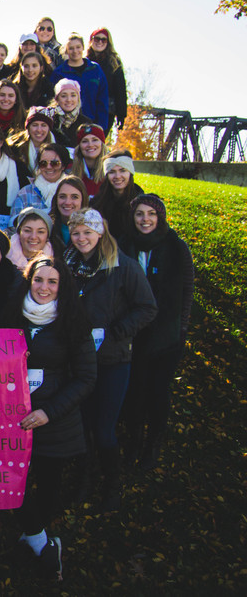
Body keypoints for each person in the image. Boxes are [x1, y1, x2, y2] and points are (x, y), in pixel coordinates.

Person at [6, 256, 96, 581]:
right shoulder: (11, 315)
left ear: (62, 286)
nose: (44, 288)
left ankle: (33, 540)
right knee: (10, 483)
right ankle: (43, 544)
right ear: (28, 281)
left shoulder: (73, 321)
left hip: (54, 420)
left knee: (47, 488)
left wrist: (49, 412)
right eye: (38, 280)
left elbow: (86, 378)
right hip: (10, 418)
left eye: (52, 282)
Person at [64, 208, 157, 511]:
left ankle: (112, 485)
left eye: (87, 232)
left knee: (104, 429)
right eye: (76, 232)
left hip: (112, 360)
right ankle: (83, 481)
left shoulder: (123, 267)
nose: (81, 238)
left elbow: (147, 307)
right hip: (76, 361)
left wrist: (119, 332)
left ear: (100, 232)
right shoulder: (67, 265)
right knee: (83, 426)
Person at [120, 194, 194, 469]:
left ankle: (153, 444)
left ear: (160, 217)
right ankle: (134, 440)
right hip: (134, 331)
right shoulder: (125, 245)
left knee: (158, 391)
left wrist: (181, 327)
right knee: (135, 389)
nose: (145, 220)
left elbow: (187, 289)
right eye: (140, 214)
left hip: (167, 333)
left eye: (151, 214)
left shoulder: (176, 247)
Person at [51, 33, 110, 132]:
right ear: (66, 50)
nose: (75, 51)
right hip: (67, 125)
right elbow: (53, 101)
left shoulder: (95, 69)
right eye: (71, 48)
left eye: (78, 47)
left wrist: (101, 127)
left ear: (83, 47)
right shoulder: (59, 73)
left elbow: (102, 99)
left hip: (92, 122)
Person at [10, 143, 71, 222]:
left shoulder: (73, 190)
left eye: (54, 163)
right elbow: (13, 226)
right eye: (43, 163)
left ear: (63, 166)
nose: (48, 167)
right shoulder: (25, 193)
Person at [92, 152, 144, 242]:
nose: (117, 176)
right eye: (112, 172)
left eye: (122, 170)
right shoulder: (97, 203)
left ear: (130, 173)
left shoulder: (143, 202)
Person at [87, 28, 127, 132]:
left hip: (106, 109)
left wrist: (121, 115)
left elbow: (120, 90)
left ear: (108, 42)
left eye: (103, 40)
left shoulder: (114, 62)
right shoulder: (84, 61)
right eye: (97, 39)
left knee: (99, 138)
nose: (100, 42)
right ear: (91, 40)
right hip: (86, 106)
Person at [50, 79, 94, 148]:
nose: (69, 100)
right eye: (64, 96)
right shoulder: (50, 119)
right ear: (57, 99)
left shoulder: (86, 123)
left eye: (73, 95)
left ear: (78, 98)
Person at [49, 176, 89, 249]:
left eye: (74, 197)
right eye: (62, 196)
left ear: (83, 200)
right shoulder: (47, 228)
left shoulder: (92, 229)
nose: (68, 202)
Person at [16, 107, 57, 174]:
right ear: (28, 128)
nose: (39, 130)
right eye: (35, 125)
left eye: (43, 125)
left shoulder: (58, 147)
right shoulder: (16, 149)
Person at [70, 123, 107, 198]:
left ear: (102, 144)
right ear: (79, 146)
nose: (90, 145)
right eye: (84, 141)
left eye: (95, 140)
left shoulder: (110, 171)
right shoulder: (69, 171)